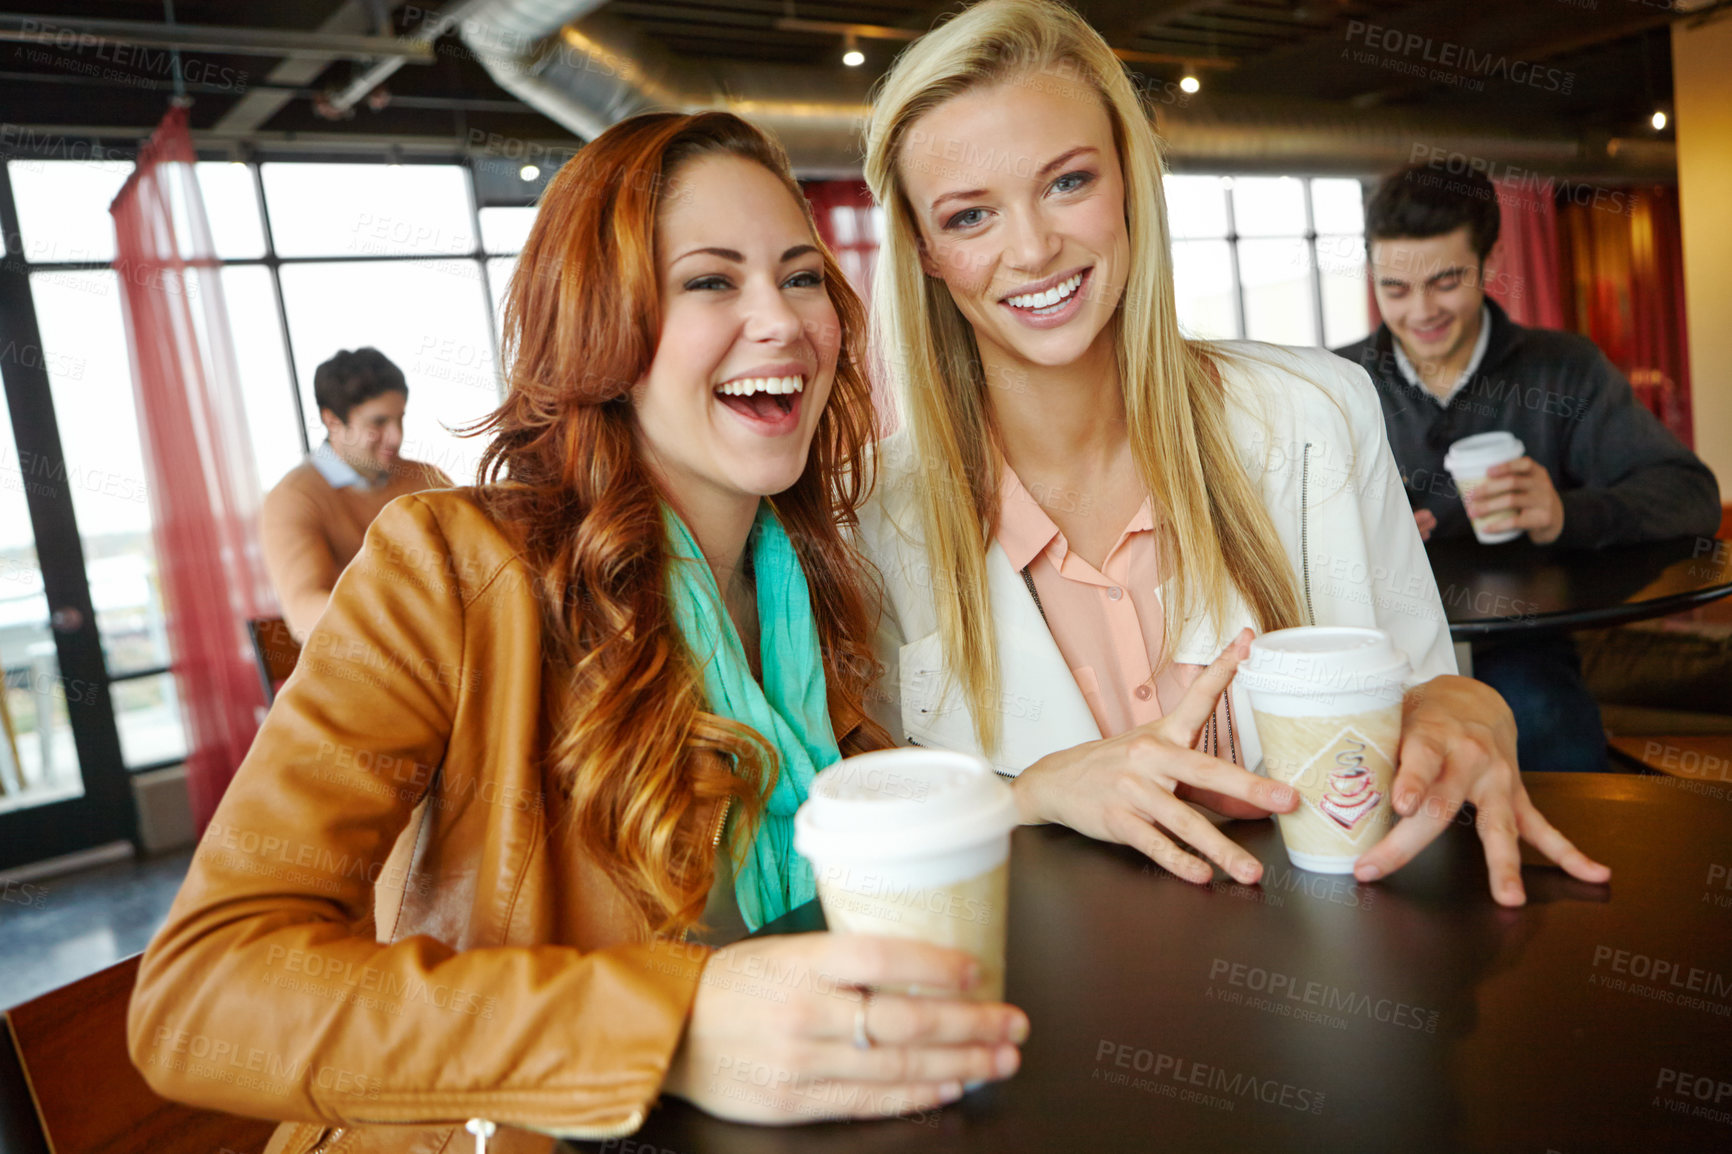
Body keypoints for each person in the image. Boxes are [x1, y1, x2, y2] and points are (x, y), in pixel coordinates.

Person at [128, 112, 1026, 1154]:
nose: (779, 321)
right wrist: (674, 1023)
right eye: (709, 281)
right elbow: (203, 992)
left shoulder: (812, 575)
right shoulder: (449, 566)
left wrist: (1030, 794)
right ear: (602, 324)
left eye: (800, 275)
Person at [857, 0, 1610, 906]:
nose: (1033, 247)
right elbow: (875, 826)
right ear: (926, 251)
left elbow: (1423, 692)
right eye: (971, 216)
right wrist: (1030, 793)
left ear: (1129, 183)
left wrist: (1470, 708)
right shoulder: (874, 518)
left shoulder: (1315, 413)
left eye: (1067, 184)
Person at [1333, 164, 1721, 773]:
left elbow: (1691, 494)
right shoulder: (1339, 385)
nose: (1421, 312)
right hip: (1377, 647)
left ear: (1493, 260)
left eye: (1446, 281)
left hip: (1522, 643)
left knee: (1552, 738)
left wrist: (1566, 513)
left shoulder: (1562, 370)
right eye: (1395, 289)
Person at [261, 347, 453, 640]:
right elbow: (304, 616)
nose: (396, 436)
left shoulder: (428, 479)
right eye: (378, 422)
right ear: (332, 421)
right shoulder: (293, 499)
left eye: (400, 418)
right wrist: (401, 621)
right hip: (368, 669)